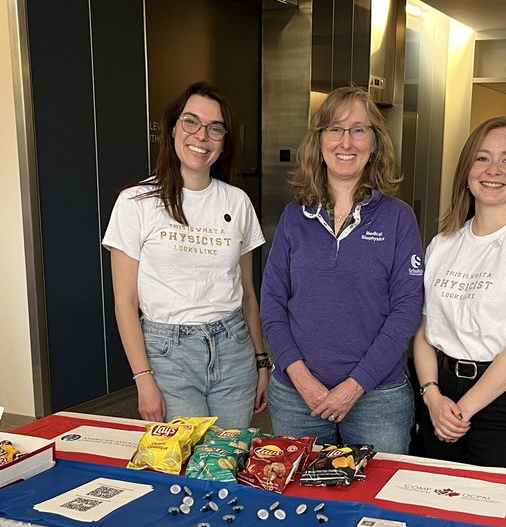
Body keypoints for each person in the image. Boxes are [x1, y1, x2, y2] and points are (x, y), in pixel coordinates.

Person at [260, 86, 423, 453]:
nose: (345, 141)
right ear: (318, 143)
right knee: (298, 501)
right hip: (297, 397)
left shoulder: (399, 219)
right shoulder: (293, 217)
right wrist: (300, 378)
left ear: (375, 144)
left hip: (377, 399)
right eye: (334, 129)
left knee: (377, 504)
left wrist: (356, 385)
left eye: (359, 130)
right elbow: (272, 303)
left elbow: (406, 310)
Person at [103, 82, 270, 429]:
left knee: (229, 459)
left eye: (215, 128)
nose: (202, 136)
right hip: (168, 354)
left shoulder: (237, 202)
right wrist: (143, 378)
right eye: (191, 121)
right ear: (173, 128)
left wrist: (261, 362)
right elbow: (125, 301)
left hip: (234, 347)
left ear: (224, 142)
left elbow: (248, 293)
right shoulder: (136, 202)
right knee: (184, 465)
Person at [412, 116, 506, 470]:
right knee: (436, 507)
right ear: (466, 169)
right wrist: (433, 397)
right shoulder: (442, 244)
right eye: (482, 158)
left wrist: (461, 412)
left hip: (505, 402)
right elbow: (423, 335)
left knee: (490, 516)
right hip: (441, 396)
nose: (493, 169)